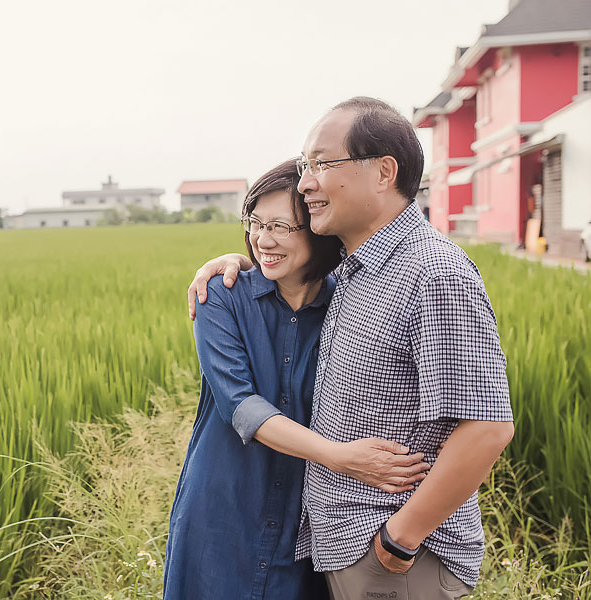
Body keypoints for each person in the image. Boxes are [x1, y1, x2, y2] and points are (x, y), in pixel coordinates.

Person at [187, 97, 514, 600]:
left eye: (321, 163)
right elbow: (292, 267)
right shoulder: (353, 273)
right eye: (303, 166)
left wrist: (399, 539)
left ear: (383, 172)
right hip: (343, 552)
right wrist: (246, 259)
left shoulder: (434, 274)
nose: (305, 182)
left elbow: (487, 427)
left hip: (396, 559)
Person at [163, 159, 431, 600]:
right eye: (256, 222)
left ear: (318, 231)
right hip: (222, 509)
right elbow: (240, 405)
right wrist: (338, 456)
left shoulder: (347, 304)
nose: (262, 240)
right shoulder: (221, 298)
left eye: (282, 228)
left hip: (306, 523)